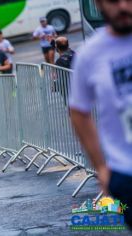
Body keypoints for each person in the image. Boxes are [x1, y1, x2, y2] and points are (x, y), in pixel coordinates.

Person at [69, 0, 132, 229]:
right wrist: (101, 168)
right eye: (114, 1)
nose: (123, 6)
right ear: (99, 4)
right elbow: (78, 111)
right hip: (126, 172)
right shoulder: (89, 55)